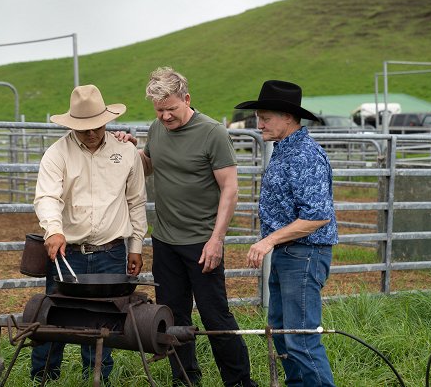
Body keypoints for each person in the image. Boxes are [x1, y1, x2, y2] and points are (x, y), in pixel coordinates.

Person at [118, 67, 256, 387]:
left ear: (187, 99)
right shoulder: (156, 128)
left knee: (215, 316)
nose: (165, 116)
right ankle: (186, 379)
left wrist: (216, 240)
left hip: (201, 241)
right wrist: (127, 150)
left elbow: (230, 188)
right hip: (165, 239)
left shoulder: (212, 133)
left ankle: (239, 382)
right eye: (159, 110)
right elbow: (150, 165)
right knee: (173, 316)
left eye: (171, 109)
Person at [31, 84, 148, 383]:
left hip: (112, 250)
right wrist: (54, 231)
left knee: (102, 322)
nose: (92, 133)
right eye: (84, 129)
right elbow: (47, 197)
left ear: (106, 120)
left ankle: (97, 379)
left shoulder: (125, 152)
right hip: (67, 251)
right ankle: (43, 377)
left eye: (96, 126)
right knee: (52, 318)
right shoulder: (57, 153)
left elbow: (136, 201)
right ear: (73, 126)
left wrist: (136, 246)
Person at [236, 80, 338, 387]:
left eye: (266, 117)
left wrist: (269, 240)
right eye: (259, 116)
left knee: (301, 338)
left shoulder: (305, 154)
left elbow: (317, 216)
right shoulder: (284, 151)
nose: (260, 123)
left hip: (304, 254)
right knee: (281, 332)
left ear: (289, 118)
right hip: (290, 254)